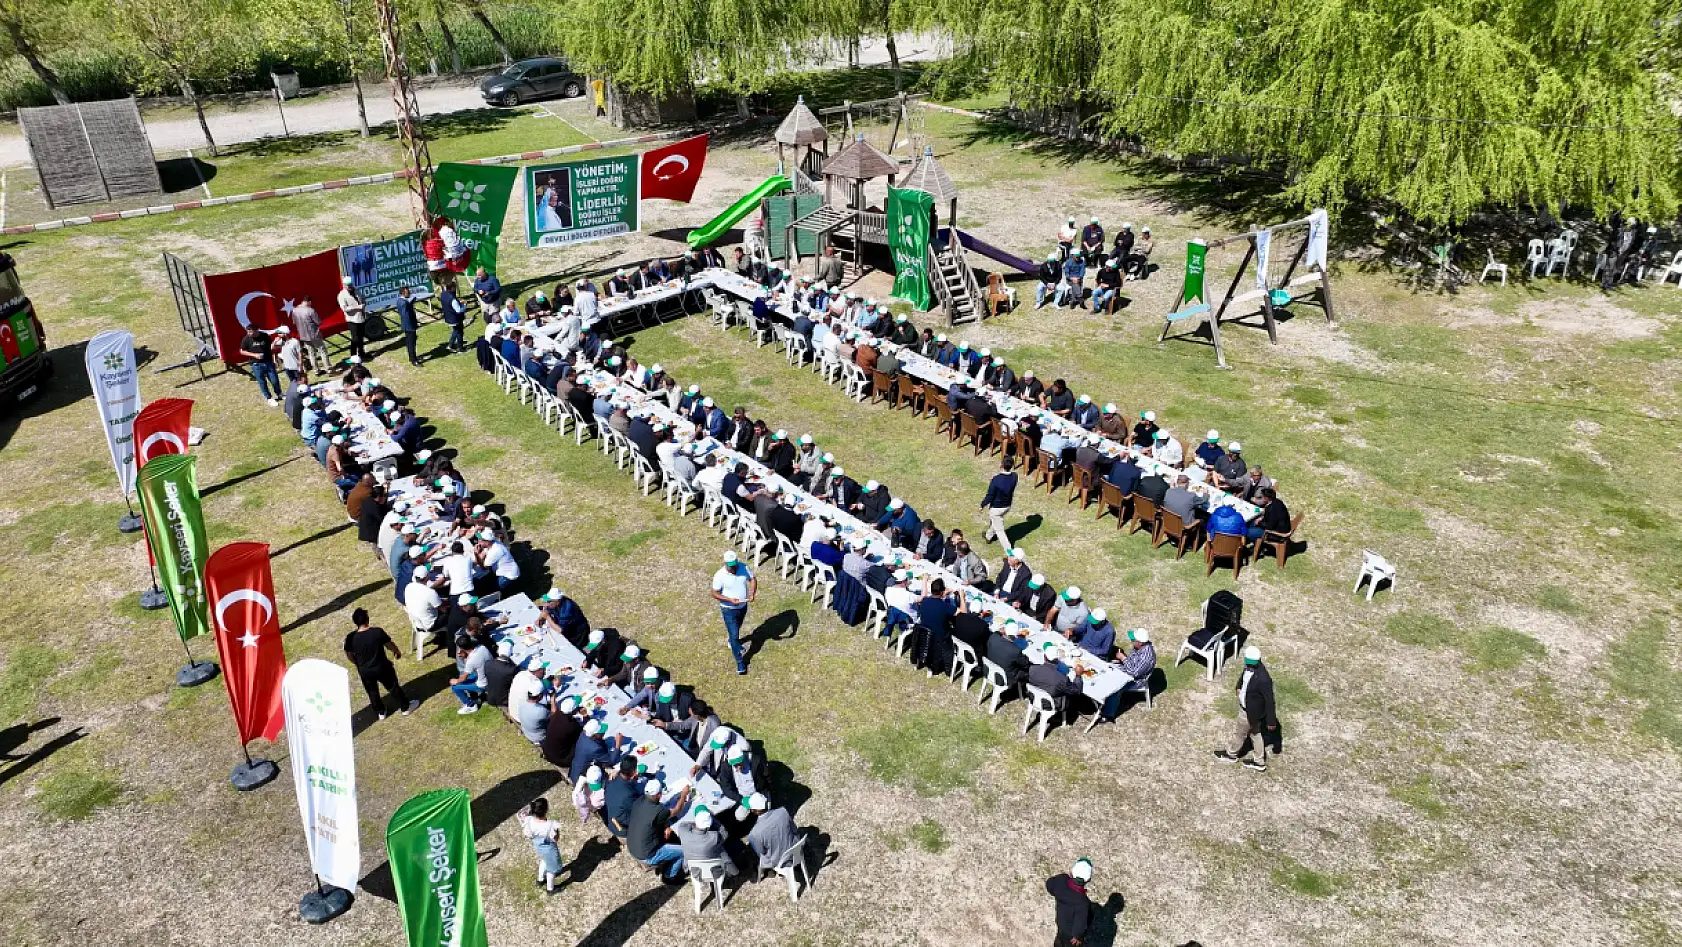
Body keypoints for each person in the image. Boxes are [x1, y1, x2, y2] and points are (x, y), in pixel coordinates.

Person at [342, 608, 418, 719]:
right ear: (367, 619)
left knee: (372, 692)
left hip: (365, 671)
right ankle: (405, 707)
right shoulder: (377, 632)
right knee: (392, 686)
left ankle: (381, 712)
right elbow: (389, 644)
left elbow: (349, 654)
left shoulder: (351, 638)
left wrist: (358, 663)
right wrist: (396, 652)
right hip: (382, 667)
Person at [1215, 646, 1277, 771]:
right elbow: (1243, 678)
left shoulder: (1263, 679)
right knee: (1255, 733)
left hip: (1249, 712)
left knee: (1240, 734)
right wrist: (1238, 687)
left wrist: (1271, 721)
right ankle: (1259, 762)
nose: (1249, 665)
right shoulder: (1250, 667)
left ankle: (1231, 754)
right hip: (1252, 712)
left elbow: (1270, 701)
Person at [625, 779, 694, 881]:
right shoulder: (659, 810)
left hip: (632, 845)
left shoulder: (639, 801)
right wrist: (683, 795)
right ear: (657, 795)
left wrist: (665, 825)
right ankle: (670, 875)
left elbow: (650, 819)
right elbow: (676, 810)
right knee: (683, 851)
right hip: (647, 854)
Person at [711, 551, 756, 675]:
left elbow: (752, 579)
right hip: (728, 609)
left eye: (735, 565)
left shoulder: (744, 567)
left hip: (742, 606)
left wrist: (752, 593)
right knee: (735, 634)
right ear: (724, 563)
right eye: (730, 566)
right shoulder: (719, 575)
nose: (733, 568)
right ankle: (740, 662)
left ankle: (732, 642)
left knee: (736, 630)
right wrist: (729, 600)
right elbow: (714, 593)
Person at [672, 806, 738, 880]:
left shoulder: (683, 832)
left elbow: (683, 824)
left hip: (695, 872)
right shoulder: (714, 838)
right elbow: (724, 833)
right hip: (714, 872)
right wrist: (712, 818)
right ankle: (733, 871)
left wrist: (696, 822)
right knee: (722, 850)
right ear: (709, 825)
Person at [740, 792, 796, 875]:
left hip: (779, 860)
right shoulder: (783, 811)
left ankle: (769, 872)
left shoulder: (754, 833)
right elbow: (794, 829)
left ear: (753, 811)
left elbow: (761, 852)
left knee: (754, 853)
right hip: (795, 850)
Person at [519, 797, 566, 893]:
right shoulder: (551, 824)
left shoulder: (529, 820)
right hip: (550, 850)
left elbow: (521, 816)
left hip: (538, 847)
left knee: (544, 861)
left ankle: (540, 880)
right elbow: (556, 839)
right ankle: (550, 889)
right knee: (552, 870)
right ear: (546, 810)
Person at [1047, 859, 1095, 947]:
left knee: (1059, 941)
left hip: (1061, 923)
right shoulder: (1083, 903)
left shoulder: (1061, 880)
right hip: (1071, 936)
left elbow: (1049, 885)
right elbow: (1080, 923)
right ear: (1088, 880)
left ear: (1071, 873)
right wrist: (1077, 936)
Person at [1027, 642, 1083, 713]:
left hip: (1033, 698)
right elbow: (1077, 690)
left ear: (1044, 656)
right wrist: (1078, 675)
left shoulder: (1032, 669)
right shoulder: (1061, 678)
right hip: (1052, 704)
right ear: (1058, 659)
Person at [449, 630, 492, 714]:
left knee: (455, 687)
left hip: (483, 684)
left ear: (462, 649)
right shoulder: (482, 647)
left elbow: (462, 679)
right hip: (490, 675)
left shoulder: (471, 661)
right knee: (468, 676)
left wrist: (455, 681)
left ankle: (470, 705)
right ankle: (475, 697)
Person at [240, 325, 281, 405]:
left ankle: (279, 393)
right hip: (256, 364)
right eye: (248, 331)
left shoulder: (264, 336)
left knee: (274, 380)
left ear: (257, 330)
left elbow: (270, 347)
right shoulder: (246, 339)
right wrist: (254, 355)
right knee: (262, 382)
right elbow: (242, 351)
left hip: (268, 362)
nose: (249, 333)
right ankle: (269, 398)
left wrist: (274, 356)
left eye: (251, 331)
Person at [985, 624, 1031, 690]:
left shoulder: (993, 637)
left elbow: (996, 633)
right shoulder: (1015, 650)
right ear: (1016, 636)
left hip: (989, 669)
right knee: (1025, 671)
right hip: (1005, 678)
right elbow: (1026, 664)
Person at [338, 277, 368, 360]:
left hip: (361, 317)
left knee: (361, 337)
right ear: (344, 285)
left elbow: (363, 299)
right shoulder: (341, 295)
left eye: (351, 285)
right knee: (355, 338)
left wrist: (364, 304)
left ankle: (362, 353)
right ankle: (353, 356)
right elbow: (345, 308)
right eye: (348, 285)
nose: (350, 286)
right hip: (352, 319)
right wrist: (357, 307)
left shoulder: (357, 291)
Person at [396, 285, 420, 366]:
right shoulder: (403, 303)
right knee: (411, 343)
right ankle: (414, 360)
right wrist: (412, 326)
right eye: (407, 291)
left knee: (410, 342)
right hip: (409, 326)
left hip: (407, 325)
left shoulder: (400, 301)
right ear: (403, 292)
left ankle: (411, 357)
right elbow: (405, 315)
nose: (409, 292)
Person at [439, 282, 467, 352]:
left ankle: (450, 345)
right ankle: (460, 348)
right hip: (455, 319)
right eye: (455, 287)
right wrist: (464, 305)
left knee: (455, 331)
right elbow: (458, 310)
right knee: (460, 333)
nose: (456, 289)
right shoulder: (452, 299)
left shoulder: (443, 294)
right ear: (452, 288)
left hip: (448, 317)